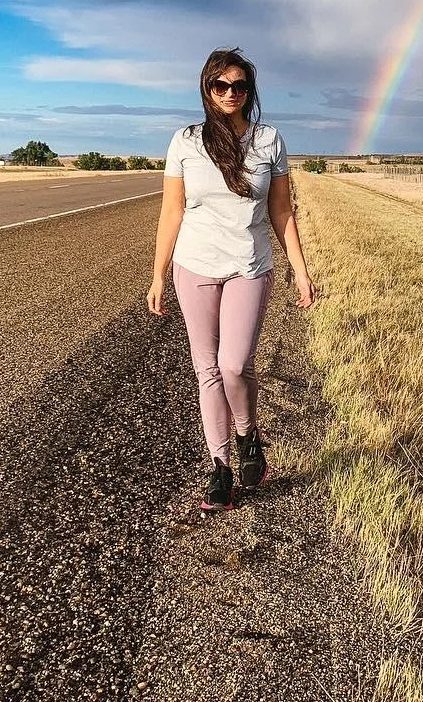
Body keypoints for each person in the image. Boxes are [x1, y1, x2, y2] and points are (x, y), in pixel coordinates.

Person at [147, 48, 315, 512]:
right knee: (207, 371)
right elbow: (172, 211)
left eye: (239, 86)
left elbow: (281, 211)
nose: (230, 93)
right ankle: (220, 467)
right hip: (194, 266)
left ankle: (248, 434)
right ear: (206, 88)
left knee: (234, 364)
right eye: (220, 85)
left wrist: (301, 270)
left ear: (250, 92)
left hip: (249, 264)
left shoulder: (269, 141)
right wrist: (158, 275)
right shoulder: (185, 141)